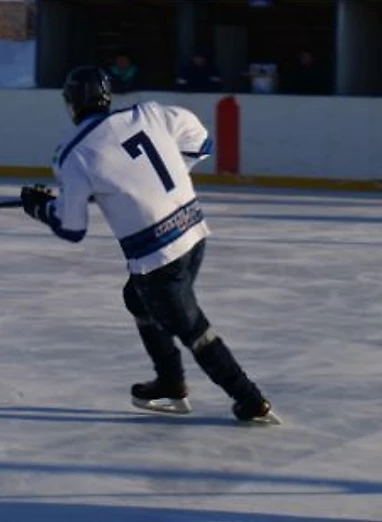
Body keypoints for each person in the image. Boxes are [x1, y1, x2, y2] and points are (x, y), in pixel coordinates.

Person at [20, 65, 279, 424]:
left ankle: (250, 401)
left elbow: (71, 227)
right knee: (137, 298)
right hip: (193, 232)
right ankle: (170, 382)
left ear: (72, 104)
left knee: (193, 330)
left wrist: (39, 207)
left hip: (158, 258)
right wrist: (146, 185)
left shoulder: (74, 153)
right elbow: (202, 142)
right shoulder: (150, 113)